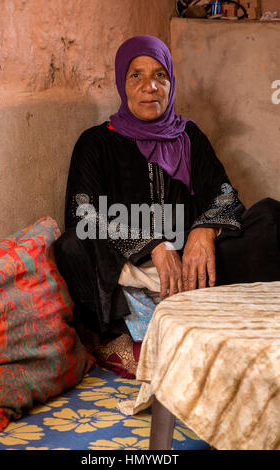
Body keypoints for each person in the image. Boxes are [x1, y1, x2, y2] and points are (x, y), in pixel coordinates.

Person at [55, 35, 280, 378]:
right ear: (122, 83)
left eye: (160, 75)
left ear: (170, 83)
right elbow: (84, 213)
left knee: (271, 218)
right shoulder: (96, 142)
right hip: (133, 273)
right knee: (72, 245)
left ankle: (207, 318)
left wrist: (203, 231)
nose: (150, 87)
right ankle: (121, 336)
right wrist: (153, 247)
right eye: (137, 76)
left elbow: (224, 194)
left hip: (196, 273)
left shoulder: (189, 136)